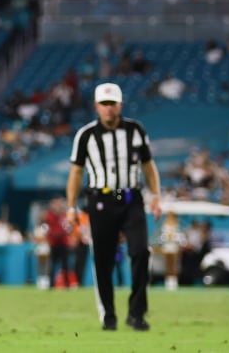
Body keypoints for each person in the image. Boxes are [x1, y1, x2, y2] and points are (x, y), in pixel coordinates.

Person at [66, 82, 162, 332]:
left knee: (141, 252)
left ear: (120, 104)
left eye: (113, 103)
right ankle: (108, 314)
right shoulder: (86, 135)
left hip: (132, 199)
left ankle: (137, 313)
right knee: (103, 260)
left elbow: (148, 166)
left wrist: (156, 196)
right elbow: (76, 173)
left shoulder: (135, 130)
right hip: (100, 201)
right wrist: (70, 206)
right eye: (104, 104)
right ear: (97, 106)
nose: (109, 109)